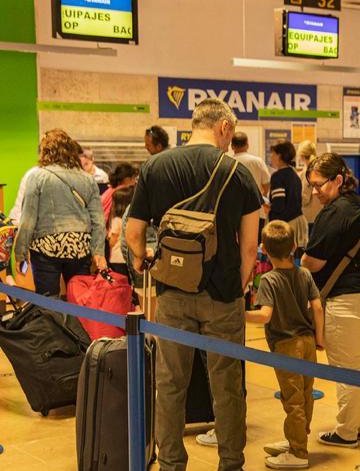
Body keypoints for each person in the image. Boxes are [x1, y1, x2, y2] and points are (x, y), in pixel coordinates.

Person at [126, 98, 261, 471]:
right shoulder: (239, 173)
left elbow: (134, 232)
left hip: (172, 294)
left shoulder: (155, 166)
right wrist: (238, 282)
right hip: (223, 297)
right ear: (224, 128)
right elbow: (249, 245)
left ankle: (171, 463)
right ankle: (231, 463)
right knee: (228, 387)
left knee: (169, 385)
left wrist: (145, 262)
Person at [301, 153, 360, 448]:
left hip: (347, 299)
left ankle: (347, 432)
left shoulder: (335, 212)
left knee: (345, 369)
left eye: (319, 185)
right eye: (311, 186)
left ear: (337, 180)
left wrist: (300, 260)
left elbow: (313, 262)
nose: (314, 192)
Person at [246, 220, 324, 469]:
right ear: (295, 246)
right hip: (308, 340)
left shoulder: (269, 280)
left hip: (286, 345)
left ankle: (299, 452)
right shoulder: (304, 273)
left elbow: (265, 315)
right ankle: (297, 439)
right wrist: (320, 338)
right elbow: (318, 307)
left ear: (264, 250)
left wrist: (241, 314)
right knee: (305, 393)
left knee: (292, 400)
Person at [14, 129, 107, 296]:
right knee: (79, 300)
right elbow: (98, 221)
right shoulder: (87, 179)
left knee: (47, 302)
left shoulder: (37, 177)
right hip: (79, 247)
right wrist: (98, 251)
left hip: (46, 247)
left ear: (45, 151)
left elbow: (28, 219)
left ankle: (51, 322)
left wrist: (20, 253)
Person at [230, 132, 271, 238]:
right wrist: (261, 195)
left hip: (234, 211)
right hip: (257, 211)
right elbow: (266, 184)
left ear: (232, 146)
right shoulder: (258, 161)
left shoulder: (228, 162)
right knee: (255, 245)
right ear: (247, 145)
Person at [269, 141, 308, 250]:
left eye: (273, 154)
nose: (271, 157)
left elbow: (279, 205)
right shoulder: (294, 174)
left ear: (279, 155)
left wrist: (272, 224)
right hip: (298, 222)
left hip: (286, 226)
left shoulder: (278, 176)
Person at [107, 185, 134, 277]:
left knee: (119, 282)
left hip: (117, 258)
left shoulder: (116, 220)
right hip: (127, 257)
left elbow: (112, 241)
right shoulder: (128, 220)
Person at [295, 140, 322, 224]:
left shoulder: (306, 173)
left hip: (309, 218)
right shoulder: (321, 169)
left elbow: (305, 199)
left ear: (301, 156)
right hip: (320, 215)